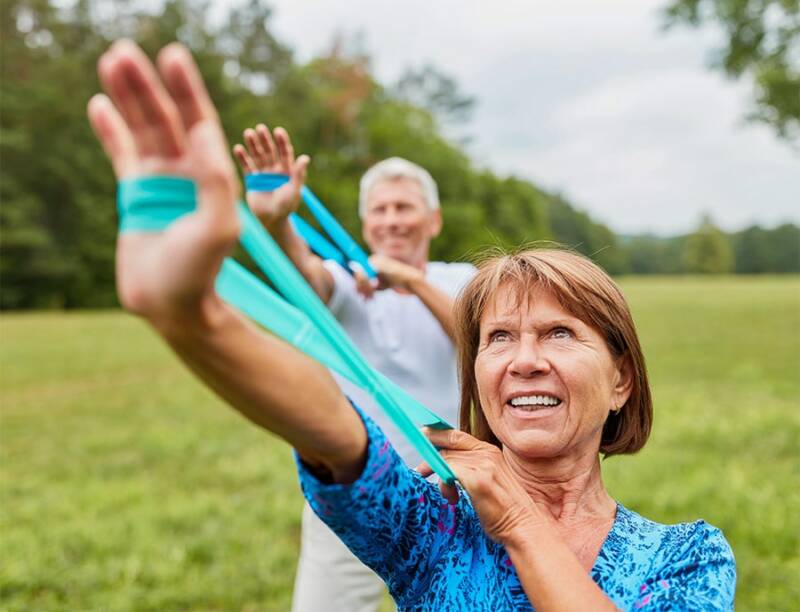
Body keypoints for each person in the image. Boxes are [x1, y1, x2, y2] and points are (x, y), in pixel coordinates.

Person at [88, 40, 736, 611]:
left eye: (560, 333)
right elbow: (339, 426)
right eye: (499, 338)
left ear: (623, 377)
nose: (524, 359)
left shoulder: (689, 559)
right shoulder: (431, 527)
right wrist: (191, 317)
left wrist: (517, 517)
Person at [232, 124, 475, 610]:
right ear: (366, 224)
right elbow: (307, 276)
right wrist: (279, 222)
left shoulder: (463, 280)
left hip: (453, 490)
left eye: (404, 207)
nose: (392, 220)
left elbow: (479, 336)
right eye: (380, 210)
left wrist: (407, 278)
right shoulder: (347, 283)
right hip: (355, 491)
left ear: (434, 220)